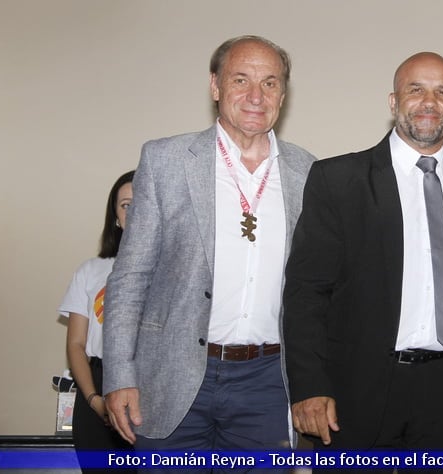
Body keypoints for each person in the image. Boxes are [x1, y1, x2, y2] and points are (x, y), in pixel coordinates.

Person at [282, 52, 443, 470]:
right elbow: (306, 293)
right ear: (392, 102)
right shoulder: (339, 180)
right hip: (360, 390)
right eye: (415, 89)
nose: (429, 102)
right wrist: (309, 386)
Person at [102, 35, 316, 466]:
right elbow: (130, 277)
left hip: (267, 383)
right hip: (172, 376)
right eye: (241, 80)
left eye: (270, 83)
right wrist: (119, 375)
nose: (256, 96)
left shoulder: (309, 171)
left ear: (283, 94)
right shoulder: (165, 160)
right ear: (215, 86)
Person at [58, 170, 135, 474]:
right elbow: (76, 345)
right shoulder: (91, 271)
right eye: (126, 205)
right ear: (115, 216)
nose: (134, 212)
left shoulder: (177, 269)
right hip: (98, 389)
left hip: (155, 391)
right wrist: (94, 400)